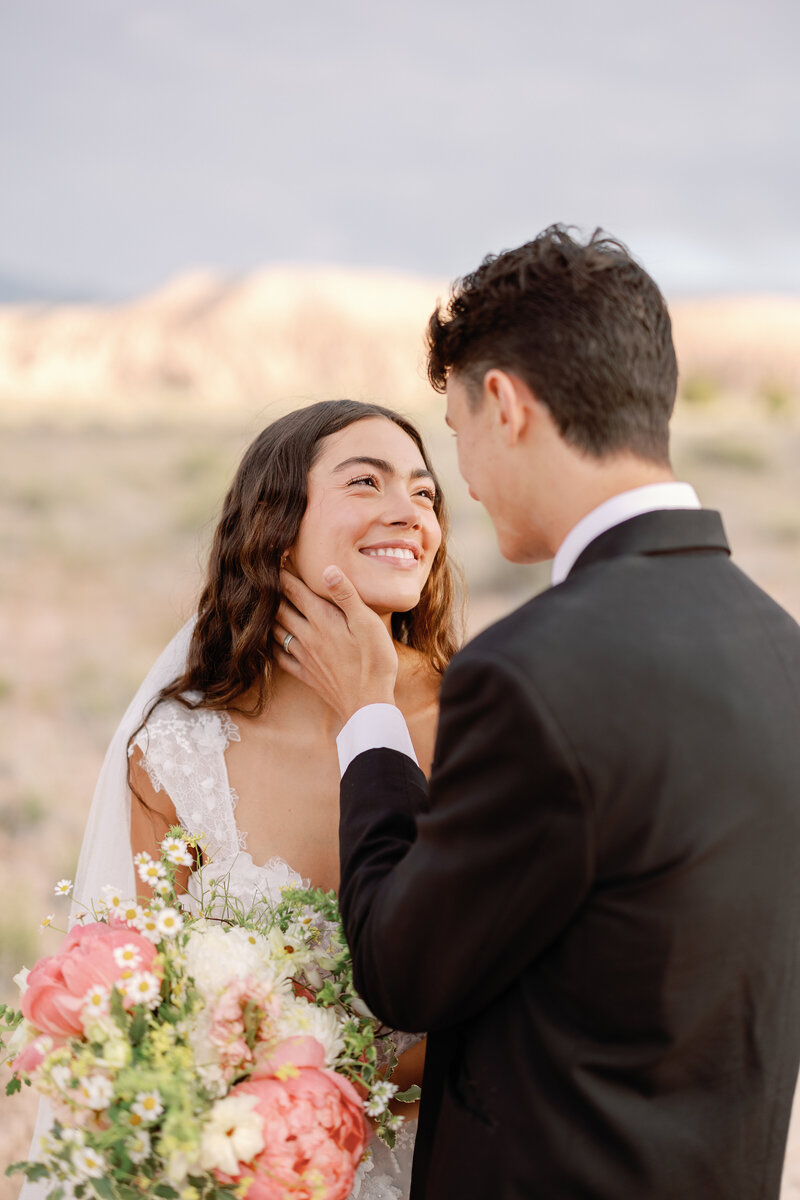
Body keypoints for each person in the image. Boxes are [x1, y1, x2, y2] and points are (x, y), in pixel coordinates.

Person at [275, 227, 800, 1199]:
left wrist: (365, 716)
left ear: (505, 406)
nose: (458, 480)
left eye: (456, 429)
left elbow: (404, 972)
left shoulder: (528, 674)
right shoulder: (778, 645)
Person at [22, 398, 460, 1200]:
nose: (410, 513)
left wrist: (313, 1077)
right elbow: (139, 1006)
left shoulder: (486, 722)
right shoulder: (177, 756)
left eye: (426, 493)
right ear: (275, 521)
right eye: (366, 482)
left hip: (444, 1162)